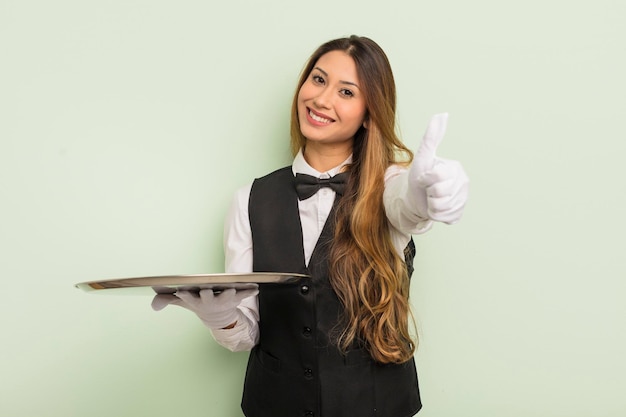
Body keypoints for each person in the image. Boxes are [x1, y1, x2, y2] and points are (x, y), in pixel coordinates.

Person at [152, 35, 469, 417]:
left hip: (376, 404)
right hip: (274, 403)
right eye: (318, 80)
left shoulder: (389, 185)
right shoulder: (248, 199)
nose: (322, 99)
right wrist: (222, 317)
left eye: (347, 92)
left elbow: (406, 207)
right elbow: (248, 332)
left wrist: (426, 195)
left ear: (370, 113)